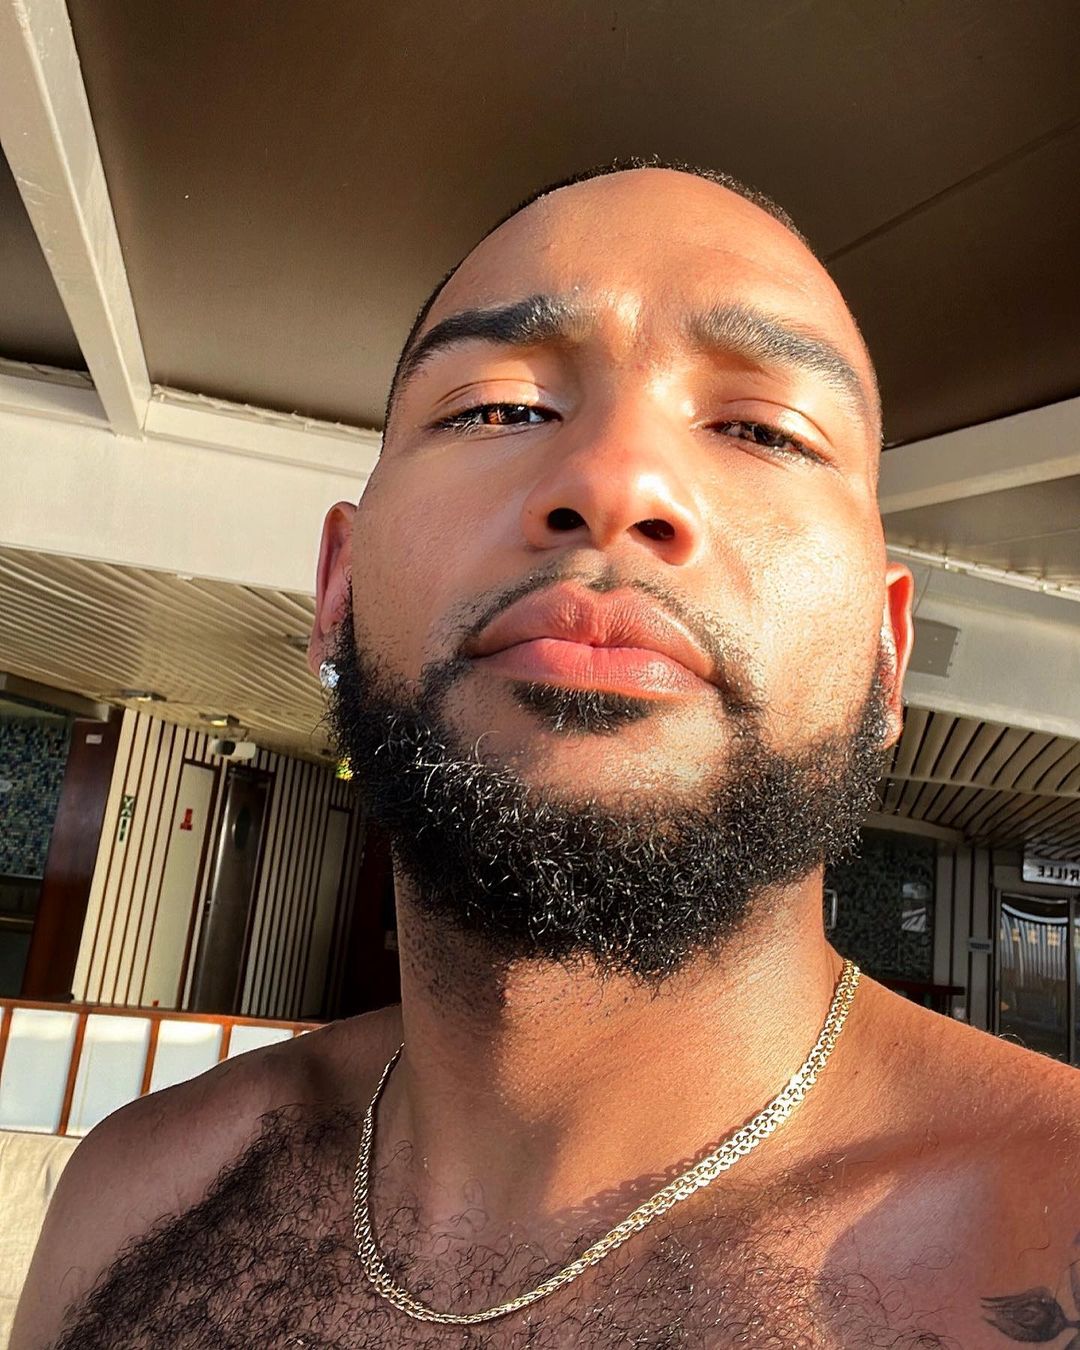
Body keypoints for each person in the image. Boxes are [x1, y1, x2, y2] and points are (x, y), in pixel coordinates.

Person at [14, 161, 1080, 1349]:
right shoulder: (130, 1201)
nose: (615, 481)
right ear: (339, 590)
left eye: (763, 429)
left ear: (886, 658)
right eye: (499, 408)